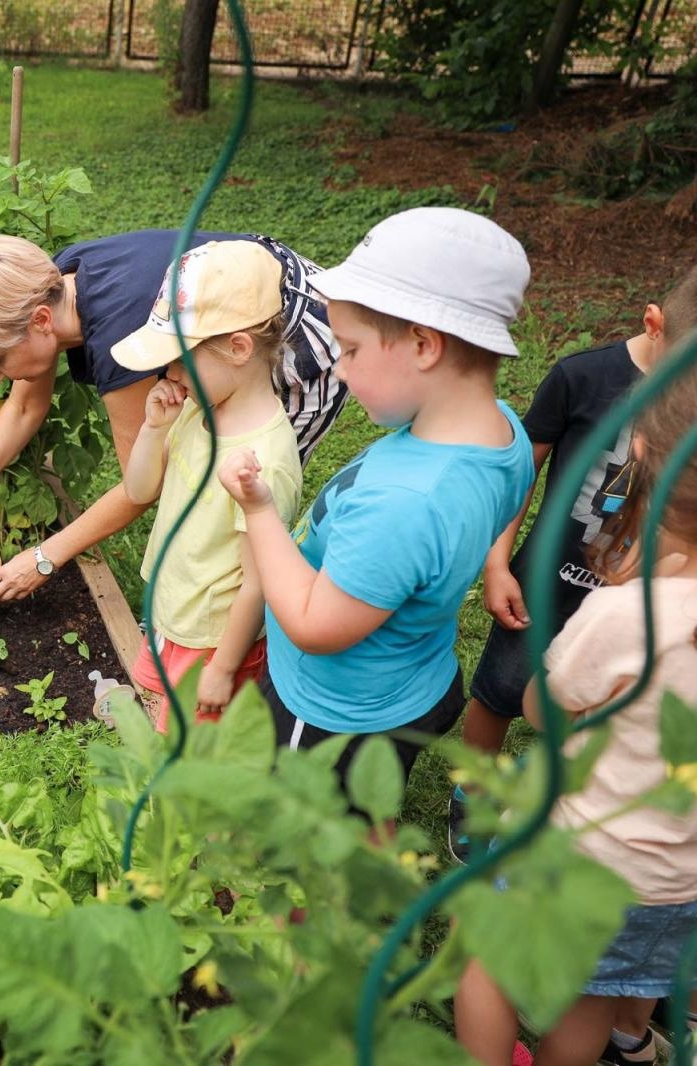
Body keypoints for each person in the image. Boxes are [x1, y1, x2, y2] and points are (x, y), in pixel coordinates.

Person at [218, 207, 535, 785]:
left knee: (313, 829)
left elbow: (315, 625)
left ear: (423, 345)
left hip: (335, 711)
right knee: (368, 811)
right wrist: (493, 562)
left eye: (352, 349)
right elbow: (510, 496)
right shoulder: (504, 432)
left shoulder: (405, 502)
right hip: (414, 679)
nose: (338, 369)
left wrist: (259, 510)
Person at [454, 366, 697, 1066]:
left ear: (646, 458)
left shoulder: (630, 612)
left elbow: (539, 706)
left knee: (488, 963)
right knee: (594, 993)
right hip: (673, 884)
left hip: (581, 855)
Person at [0, 229, 344, 605]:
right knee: (197, 467)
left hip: (296, 337)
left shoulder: (117, 337)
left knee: (242, 496)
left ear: (42, 321)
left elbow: (139, 488)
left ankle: (231, 629)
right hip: (229, 325)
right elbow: (25, 405)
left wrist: (44, 558)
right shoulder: (53, 285)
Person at [448, 264, 697, 861]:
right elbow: (520, 476)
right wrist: (497, 563)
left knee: (593, 709)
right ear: (653, 325)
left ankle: (553, 800)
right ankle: (472, 800)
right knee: (500, 692)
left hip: (631, 605)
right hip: (543, 583)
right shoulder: (580, 377)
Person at [116, 241, 302, 722]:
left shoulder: (264, 461)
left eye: (179, 358)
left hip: (214, 642)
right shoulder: (196, 409)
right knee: (167, 734)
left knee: (196, 764)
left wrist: (223, 668)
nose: (168, 374)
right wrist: (155, 427)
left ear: (239, 348)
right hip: (174, 616)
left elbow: (259, 583)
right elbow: (139, 491)